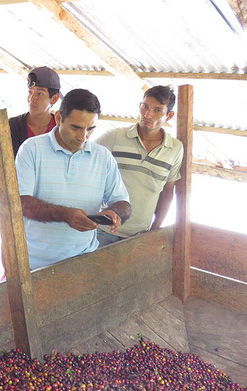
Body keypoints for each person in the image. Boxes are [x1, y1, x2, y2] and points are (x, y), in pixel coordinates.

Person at [16, 89, 131, 270]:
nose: (82, 136)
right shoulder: (31, 149)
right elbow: (21, 203)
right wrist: (65, 215)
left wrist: (114, 213)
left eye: (90, 129)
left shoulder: (103, 157)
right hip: (35, 263)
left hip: (84, 260)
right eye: (76, 127)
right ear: (59, 118)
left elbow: (123, 203)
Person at [95, 85, 183, 247]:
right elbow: (86, 163)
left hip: (140, 235)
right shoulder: (115, 137)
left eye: (157, 110)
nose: (148, 114)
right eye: (145, 106)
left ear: (169, 115)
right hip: (104, 231)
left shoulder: (175, 149)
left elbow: (168, 191)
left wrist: (155, 229)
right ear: (139, 106)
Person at [9, 66, 61, 157]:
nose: (32, 99)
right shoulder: (12, 126)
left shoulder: (61, 128)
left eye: (40, 94)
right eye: (30, 92)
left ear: (54, 99)